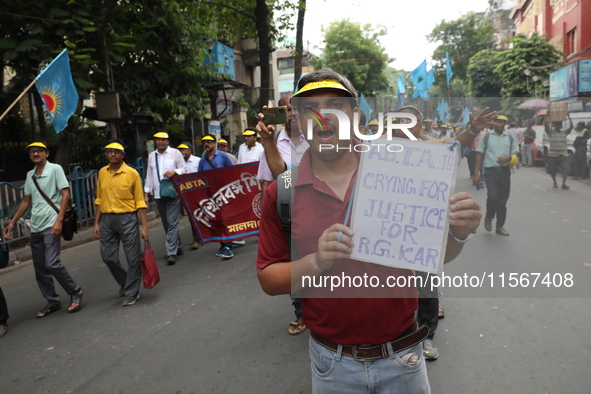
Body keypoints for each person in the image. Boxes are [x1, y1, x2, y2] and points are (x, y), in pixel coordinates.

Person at [256, 68, 481, 392]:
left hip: (404, 358)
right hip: (330, 363)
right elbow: (268, 278)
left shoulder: (401, 170)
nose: (323, 116)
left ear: (355, 116)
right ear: (299, 121)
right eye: (309, 109)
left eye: (335, 105)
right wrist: (315, 262)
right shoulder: (282, 191)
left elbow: (435, 255)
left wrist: (460, 231)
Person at [395, 104, 495, 361]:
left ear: (419, 125)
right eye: (399, 121)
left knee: (426, 281)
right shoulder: (377, 151)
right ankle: (395, 334)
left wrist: (472, 129)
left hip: (426, 230)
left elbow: (455, 143)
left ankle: (425, 336)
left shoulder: (433, 148)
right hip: (391, 232)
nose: (405, 126)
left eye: (411, 122)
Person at [3, 142, 83, 317]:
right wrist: (12, 222)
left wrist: (59, 221)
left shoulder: (55, 169)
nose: (35, 154)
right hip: (36, 225)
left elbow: (66, 195)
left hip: (52, 222)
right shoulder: (30, 175)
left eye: (39, 151)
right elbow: (26, 200)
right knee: (40, 268)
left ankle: (75, 291)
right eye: (32, 152)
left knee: (52, 262)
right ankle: (53, 301)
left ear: (46, 153)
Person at [257, 93, 310, 336]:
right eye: (288, 109)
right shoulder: (273, 144)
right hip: (291, 218)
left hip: (323, 212)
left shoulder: (320, 138)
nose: (294, 113)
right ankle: (301, 314)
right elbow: (276, 179)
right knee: (294, 266)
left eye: (300, 108)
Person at [94, 139, 148, 306]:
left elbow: (140, 201)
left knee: (132, 258)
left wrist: (144, 226)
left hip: (128, 219)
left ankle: (132, 292)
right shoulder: (102, 172)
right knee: (108, 257)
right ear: (106, 154)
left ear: (123, 155)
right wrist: (97, 222)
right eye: (109, 151)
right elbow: (99, 198)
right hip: (107, 220)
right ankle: (126, 281)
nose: (112, 154)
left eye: (116, 152)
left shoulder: (132, 173)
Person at [144, 130, 187, 265]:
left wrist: (174, 172)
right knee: (166, 223)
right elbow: (149, 175)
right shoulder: (152, 156)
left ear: (167, 141)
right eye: (158, 139)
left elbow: (184, 169)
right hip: (158, 194)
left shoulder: (176, 153)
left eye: (163, 139)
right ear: (155, 141)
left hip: (172, 192)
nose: (161, 142)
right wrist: (146, 194)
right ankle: (177, 246)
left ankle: (171, 252)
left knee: (173, 222)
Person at [473, 115, 519, 236]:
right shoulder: (486, 137)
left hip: (504, 172)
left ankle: (500, 226)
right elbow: (479, 155)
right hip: (490, 171)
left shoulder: (510, 137)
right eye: (499, 122)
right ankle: (489, 218)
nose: (501, 124)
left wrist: (508, 157)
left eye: (503, 122)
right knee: (493, 196)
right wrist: (476, 174)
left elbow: (515, 152)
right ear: (494, 123)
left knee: (502, 201)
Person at [198, 134, 236, 259]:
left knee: (226, 219)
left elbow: (232, 172)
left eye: (209, 142)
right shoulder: (202, 160)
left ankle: (228, 246)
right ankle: (223, 244)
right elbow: (199, 178)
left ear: (215, 144)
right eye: (204, 142)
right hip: (211, 195)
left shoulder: (223, 156)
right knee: (217, 219)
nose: (206, 144)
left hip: (224, 193)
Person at [178, 142, 201, 250]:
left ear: (190, 150)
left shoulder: (198, 160)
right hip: (184, 194)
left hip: (197, 192)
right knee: (192, 216)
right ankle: (196, 238)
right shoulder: (177, 163)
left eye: (184, 149)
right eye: (180, 149)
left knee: (201, 214)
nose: (182, 151)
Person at [545, 116, 573, 189]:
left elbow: (571, 127)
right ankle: (555, 182)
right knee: (552, 170)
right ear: (554, 126)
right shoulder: (551, 132)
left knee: (566, 169)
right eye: (556, 125)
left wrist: (569, 117)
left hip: (563, 154)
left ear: (561, 126)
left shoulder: (564, 132)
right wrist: (546, 116)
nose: (558, 126)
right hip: (553, 154)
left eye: (559, 125)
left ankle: (563, 184)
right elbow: (545, 126)